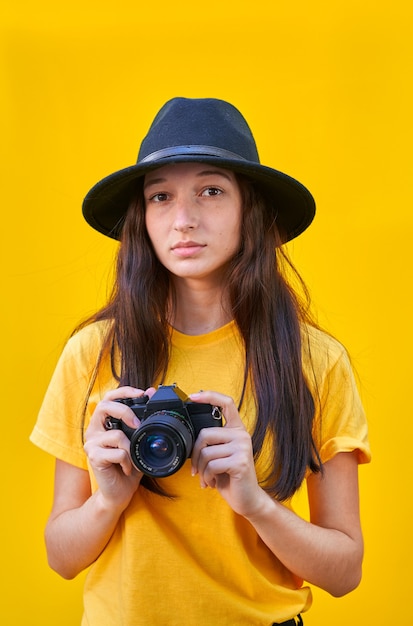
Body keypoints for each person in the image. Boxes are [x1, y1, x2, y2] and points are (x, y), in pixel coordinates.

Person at [30, 97, 371, 626]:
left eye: (210, 191)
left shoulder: (314, 361)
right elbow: (61, 557)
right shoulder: (94, 353)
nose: (183, 220)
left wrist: (254, 502)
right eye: (160, 197)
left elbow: (345, 571)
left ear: (249, 208)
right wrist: (108, 500)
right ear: (142, 219)